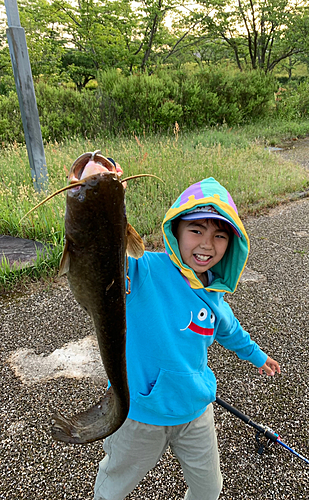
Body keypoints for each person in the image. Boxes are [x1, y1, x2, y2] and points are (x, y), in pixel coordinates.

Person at [94, 176, 280, 500]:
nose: (207, 245)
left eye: (219, 235)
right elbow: (104, 256)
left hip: (195, 412)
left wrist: (257, 356)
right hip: (137, 413)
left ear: (231, 244)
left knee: (209, 490)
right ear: (175, 231)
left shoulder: (214, 294)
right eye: (196, 231)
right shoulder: (143, 271)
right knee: (112, 488)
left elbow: (231, 331)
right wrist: (105, 204)